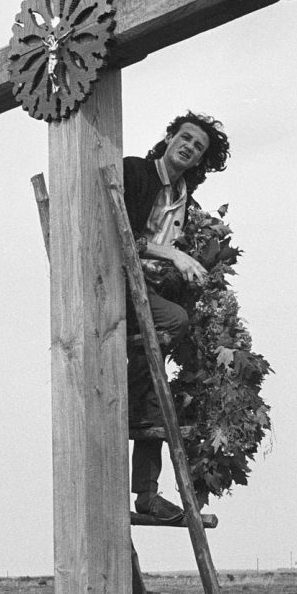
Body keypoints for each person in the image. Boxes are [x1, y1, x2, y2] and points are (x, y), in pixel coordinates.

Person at [122, 111, 231, 521]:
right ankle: (146, 492)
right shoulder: (136, 172)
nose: (188, 147)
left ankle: (148, 495)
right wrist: (173, 253)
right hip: (117, 285)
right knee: (176, 322)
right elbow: (123, 233)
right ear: (169, 137)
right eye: (184, 138)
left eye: (198, 147)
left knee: (156, 393)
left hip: (148, 291)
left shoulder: (187, 201)